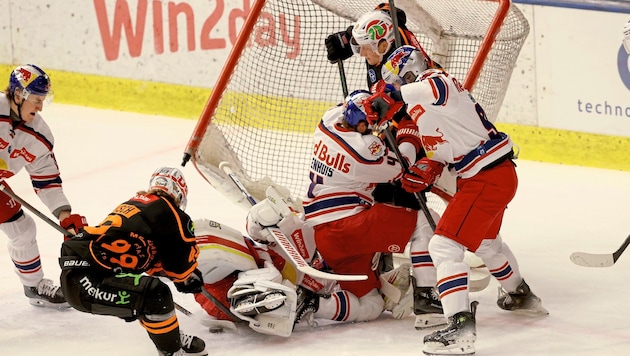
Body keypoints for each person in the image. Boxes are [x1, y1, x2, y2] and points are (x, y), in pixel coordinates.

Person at [380, 45, 548, 355]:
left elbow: (436, 87)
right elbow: (444, 152)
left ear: (409, 74)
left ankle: (460, 328)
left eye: (398, 82)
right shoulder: (423, 110)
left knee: (442, 246)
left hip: (486, 177)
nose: (397, 89)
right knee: (486, 243)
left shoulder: (438, 81)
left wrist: (391, 97)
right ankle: (521, 295)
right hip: (492, 176)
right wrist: (427, 167)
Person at [325, 5, 446, 328]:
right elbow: (386, 13)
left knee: (417, 216)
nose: (362, 54)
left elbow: (413, 124)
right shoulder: (385, 46)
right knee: (378, 201)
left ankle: (427, 295)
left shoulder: (409, 70)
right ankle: (385, 267)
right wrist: (348, 39)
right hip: (397, 135)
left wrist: (398, 160)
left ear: (386, 44)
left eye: (366, 48)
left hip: (419, 138)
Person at [193, 184, 415, 338]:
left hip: (267, 287)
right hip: (261, 264)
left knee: (372, 305)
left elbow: (371, 306)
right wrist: (261, 219)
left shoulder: (362, 273)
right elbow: (261, 226)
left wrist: (316, 305)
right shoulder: (330, 218)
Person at [59, 167, 207, 356]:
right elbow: (180, 269)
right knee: (155, 295)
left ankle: (171, 337)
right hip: (87, 281)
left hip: (82, 275)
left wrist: (168, 271)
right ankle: (172, 351)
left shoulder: (140, 205)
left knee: (142, 293)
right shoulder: (171, 214)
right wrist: (189, 278)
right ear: (179, 194)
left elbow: (142, 257)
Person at [0, 64, 88, 308]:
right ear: (18, 96)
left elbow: (46, 179)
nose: (39, 107)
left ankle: (33, 286)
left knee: (22, 229)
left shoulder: (40, 135)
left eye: (43, 100)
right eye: (36, 99)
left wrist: (65, 216)